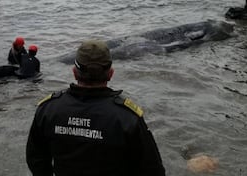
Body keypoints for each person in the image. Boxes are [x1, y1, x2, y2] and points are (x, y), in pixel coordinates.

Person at [26, 39, 166, 176]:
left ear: (74, 72)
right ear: (110, 74)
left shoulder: (48, 109)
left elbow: (36, 159)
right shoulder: (127, 117)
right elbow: (152, 169)